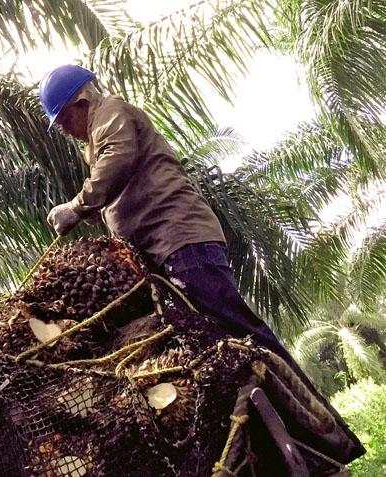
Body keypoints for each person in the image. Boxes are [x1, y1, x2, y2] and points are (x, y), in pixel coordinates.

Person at [38, 64, 364, 463]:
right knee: (211, 350)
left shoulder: (111, 114)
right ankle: (273, 446)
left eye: (64, 119)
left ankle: (325, 430)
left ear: (80, 102)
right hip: (163, 251)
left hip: (181, 241)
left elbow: (118, 161)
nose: (66, 130)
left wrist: (76, 207)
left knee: (239, 329)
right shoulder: (95, 135)